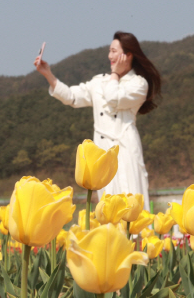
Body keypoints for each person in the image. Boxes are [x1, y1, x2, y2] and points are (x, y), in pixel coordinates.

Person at [34, 31, 161, 208]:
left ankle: (140, 236)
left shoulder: (139, 84)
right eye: (109, 51)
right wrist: (48, 74)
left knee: (131, 197)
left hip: (124, 147)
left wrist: (115, 74)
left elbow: (113, 98)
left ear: (128, 55)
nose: (110, 56)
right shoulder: (99, 82)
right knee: (108, 203)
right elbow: (72, 97)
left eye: (114, 51)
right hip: (102, 151)